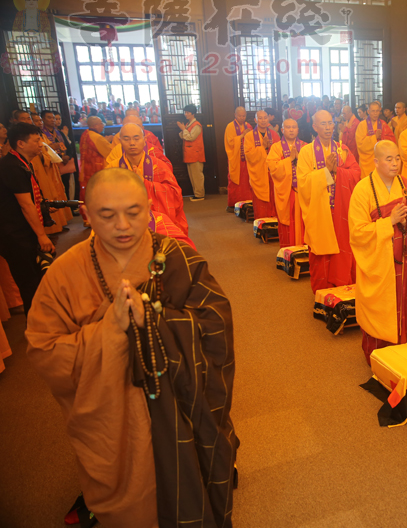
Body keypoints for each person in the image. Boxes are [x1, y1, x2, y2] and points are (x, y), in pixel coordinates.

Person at [26, 168, 238, 527]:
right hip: (113, 420)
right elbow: (44, 353)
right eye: (107, 216)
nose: (122, 225)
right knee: (130, 507)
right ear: (87, 215)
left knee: (192, 488)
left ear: (149, 207)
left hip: (180, 410)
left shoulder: (175, 258)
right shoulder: (63, 275)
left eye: (134, 212)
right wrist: (109, 331)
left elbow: (216, 323)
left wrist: (154, 323)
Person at [349, 140, 407, 363]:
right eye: (389, 159)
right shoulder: (362, 190)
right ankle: (381, 354)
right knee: (381, 310)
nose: (395, 164)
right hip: (380, 263)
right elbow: (357, 233)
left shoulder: (406, 186)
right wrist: (389, 222)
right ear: (375, 162)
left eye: (397, 158)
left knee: (406, 301)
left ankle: (406, 347)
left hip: (405, 261)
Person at [296, 110, 360, 293]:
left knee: (342, 251)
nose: (328, 127)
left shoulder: (343, 149)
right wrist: (326, 172)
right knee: (321, 255)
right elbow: (303, 183)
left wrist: (337, 171)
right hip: (319, 211)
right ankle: (321, 296)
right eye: (323, 124)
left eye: (330, 123)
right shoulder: (307, 152)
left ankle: (343, 291)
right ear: (314, 127)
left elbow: (356, 174)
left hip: (340, 211)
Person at [0, 123, 55, 314]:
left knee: (36, 278)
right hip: (15, 234)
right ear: (21, 144)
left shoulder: (22, 163)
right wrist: (41, 236)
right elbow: (25, 204)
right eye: (37, 140)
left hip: (22, 230)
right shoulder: (12, 167)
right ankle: (35, 326)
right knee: (29, 281)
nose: (41, 144)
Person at [111, 123, 189, 239]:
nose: (132, 143)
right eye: (126, 139)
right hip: (121, 220)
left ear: (144, 139)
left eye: (136, 138)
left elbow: (175, 195)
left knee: (180, 246)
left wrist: (145, 183)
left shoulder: (159, 166)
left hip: (156, 218)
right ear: (120, 140)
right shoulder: (112, 168)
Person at [266, 118, 306, 247]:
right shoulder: (276, 148)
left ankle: (305, 250)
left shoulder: (305, 146)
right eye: (288, 127)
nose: (291, 130)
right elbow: (272, 167)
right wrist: (290, 159)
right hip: (286, 191)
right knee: (288, 221)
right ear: (282, 130)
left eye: (294, 127)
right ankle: (287, 251)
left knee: (304, 220)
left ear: (298, 130)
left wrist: (300, 159)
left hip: (303, 192)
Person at [243, 110, 279, 219]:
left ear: (268, 119)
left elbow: (279, 151)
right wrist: (262, 148)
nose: (263, 120)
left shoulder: (274, 134)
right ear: (255, 120)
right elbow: (248, 155)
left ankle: (275, 221)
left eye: (265, 118)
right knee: (260, 200)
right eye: (260, 118)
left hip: (272, 172)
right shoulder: (249, 136)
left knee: (275, 197)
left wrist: (269, 148)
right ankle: (261, 221)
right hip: (259, 172)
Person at [355, 101, 396, 179]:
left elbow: (391, 141)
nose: (375, 113)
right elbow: (360, 144)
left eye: (377, 111)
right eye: (373, 111)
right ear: (368, 111)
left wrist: (383, 138)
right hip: (366, 161)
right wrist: (375, 137)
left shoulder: (383, 124)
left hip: (380, 160)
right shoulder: (362, 125)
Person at [78, 116, 113, 206]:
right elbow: (109, 152)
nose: (103, 125)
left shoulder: (85, 133)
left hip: (87, 168)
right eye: (101, 123)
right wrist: (109, 141)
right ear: (95, 125)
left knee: (89, 189)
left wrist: (104, 141)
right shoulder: (97, 137)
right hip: (97, 168)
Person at [224, 106, 254, 208]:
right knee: (235, 181)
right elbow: (230, 142)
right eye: (240, 116)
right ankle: (233, 204)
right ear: (235, 115)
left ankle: (247, 203)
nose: (242, 118)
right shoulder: (230, 126)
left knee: (247, 182)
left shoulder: (248, 126)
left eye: (244, 116)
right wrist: (242, 135)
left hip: (247, 159)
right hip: (236, 158)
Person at [177, 104, 205, 201]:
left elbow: (190, 137)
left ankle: (200, 195)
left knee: (197, 176)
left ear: (193, 113)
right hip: (189, 154)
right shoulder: (188, 124)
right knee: (192, 176)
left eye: (188, 112)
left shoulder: (196, 125)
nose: (186, 114)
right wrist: (183, 129)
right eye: (185, 112)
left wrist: (183, 130)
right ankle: (196, 194)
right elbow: (182, 135)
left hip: (195, 153)